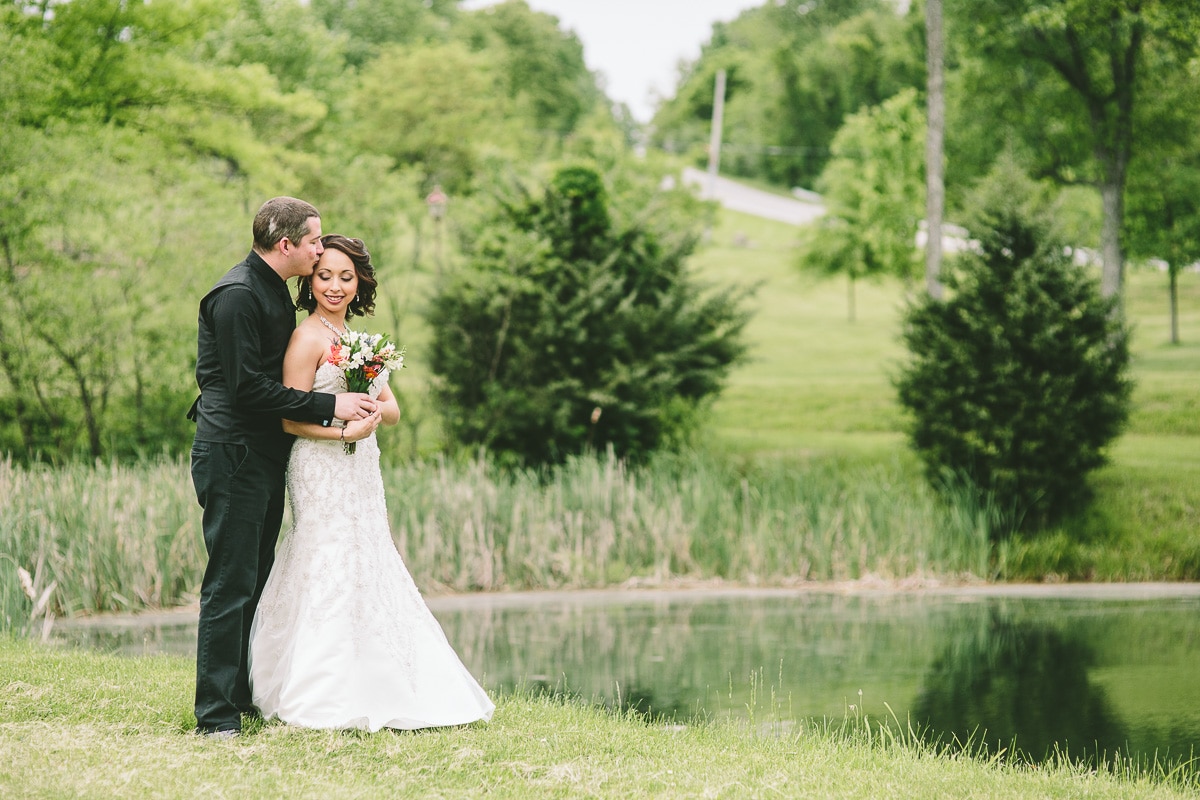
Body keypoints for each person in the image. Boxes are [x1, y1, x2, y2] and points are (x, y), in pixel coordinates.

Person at [248, 234, 494, 731]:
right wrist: (344, 427)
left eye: (346, 276)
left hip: (362, 469)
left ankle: (382, 679)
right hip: (319, 467)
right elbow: (288, 419)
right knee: (326, 557)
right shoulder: (307, 338)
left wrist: (368, 404)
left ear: (359, 282)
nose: (335, 286)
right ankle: (316, 690)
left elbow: (395, 410)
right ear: (311, 281)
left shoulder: (359, 341)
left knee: (369, 558)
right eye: (324, 276)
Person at [189, 198, 377, 738]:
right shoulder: (237, 297)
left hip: (263, 455)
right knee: (230, 583)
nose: (322, 249)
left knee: (254, 579)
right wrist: (330, 406)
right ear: (287, 244)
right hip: (232, 453)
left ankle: (243, 698)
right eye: (315, 241)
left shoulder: (273, 293)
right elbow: (246, 389)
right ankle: (216, 717)